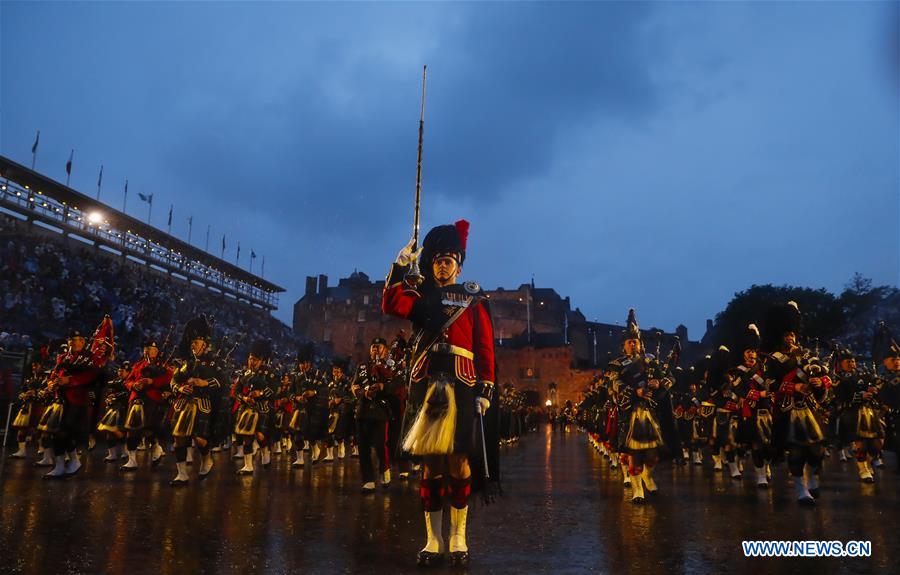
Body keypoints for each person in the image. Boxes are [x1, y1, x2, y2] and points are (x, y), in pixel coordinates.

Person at [382, 220, 497, 567]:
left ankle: (458, 536)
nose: (443, 265)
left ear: (459, 265)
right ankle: (433, 539)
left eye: (449, 260)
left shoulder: (474, 299)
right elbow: (390, 303)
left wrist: (486, 388)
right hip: (427, 381)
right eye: (438, 260)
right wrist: (401, 266)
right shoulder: (420, 296)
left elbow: (485, 347)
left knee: (459, 462)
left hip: (462, 384)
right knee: (431, 465)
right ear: (431, 264)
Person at [763, 301, 829, 505]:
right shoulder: (774, 359)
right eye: (786, 335)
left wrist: (818, 383)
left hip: (809, 406)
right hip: (787, 408)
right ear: (780, 337)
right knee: (796, 452)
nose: (790, 338)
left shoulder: (808, 355)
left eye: (792, 334)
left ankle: (812, 480)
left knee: (817, 450)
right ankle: (801, 489)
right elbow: (769, 383)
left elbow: (822, 378)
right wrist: (794, 388)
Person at [169, 315, 225, 486]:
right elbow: (174, 381)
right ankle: (182, 474)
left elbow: (222, 383)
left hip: (204, 405)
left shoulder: (215, 362)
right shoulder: (187, 364)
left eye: (197, 342)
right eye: (192, 342)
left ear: (205, 345)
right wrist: (179, 388)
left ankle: (206, 458)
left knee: (200, 440)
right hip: (185, 404)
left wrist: (204, 382)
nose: (193, 345)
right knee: (179, 439)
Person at [352, 337, 397, 492]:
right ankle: (368, 480)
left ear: (385, 349)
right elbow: (354, 385)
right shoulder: (362, 366)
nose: (375, 349)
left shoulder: (390, 366)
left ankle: (384, 468)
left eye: (378, 347)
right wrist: (363, 393)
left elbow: (398, 386)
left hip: (380, 410)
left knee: (379, 444)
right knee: (363, 447)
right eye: (373, 347)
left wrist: (383, 386)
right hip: (363, 410)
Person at [121, 339, 173, 471]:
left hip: (152, 399)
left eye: (152, 349)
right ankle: (132, 460)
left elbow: (169, 378)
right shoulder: (138, 365)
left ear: (157, 351)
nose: (149, 351)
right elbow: (128, 380)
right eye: (146, 349)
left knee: (148, 428)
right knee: (132, 429)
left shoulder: (163, 365)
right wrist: (133, 385)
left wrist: (152, 381)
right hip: (136, 398)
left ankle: (156, 446)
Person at [234, 339, 278, 475]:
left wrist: (261, 393)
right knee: (247, 436)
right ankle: (248, 466)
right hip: (247, 408)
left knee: (259, 436)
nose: (252, 362)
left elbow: (274, 390)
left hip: (263, 408)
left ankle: (265, 451)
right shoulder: (244, 374)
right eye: (251, 359)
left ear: (262, 361)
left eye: (256, 360)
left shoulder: (269, 373)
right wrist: (244, 398)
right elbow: (236, 392)